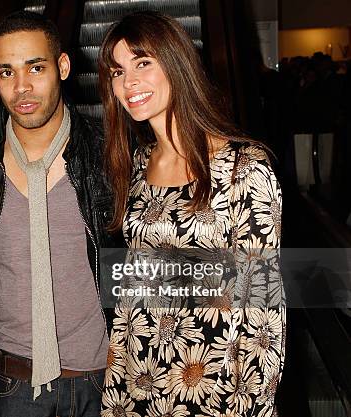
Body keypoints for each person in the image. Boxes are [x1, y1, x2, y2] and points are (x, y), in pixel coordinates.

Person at [97, 11, 285, 417]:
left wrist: (253, 404)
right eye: (117, 71)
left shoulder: (243, 169)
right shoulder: (136, 165)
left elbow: (263, 310)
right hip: (141, 378)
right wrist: (116, 394)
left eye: (142, 63)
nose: (128, 83)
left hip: (214, 387)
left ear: (176, 63)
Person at [0, 11, 116, 417]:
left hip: (105, 379)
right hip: (12, 385)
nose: (22, 87)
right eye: (7, 72)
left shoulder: (109, 155)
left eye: (36, 67)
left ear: (62, 67)